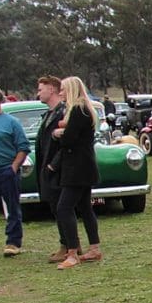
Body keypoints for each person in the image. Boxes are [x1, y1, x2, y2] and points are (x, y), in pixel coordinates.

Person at [51, 76, 102, 269]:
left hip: (77, 169)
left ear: (71, 90)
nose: (60, 93)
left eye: (63, 89)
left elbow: (69, 140)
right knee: (85, 208)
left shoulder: (79, 110)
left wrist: (59, 134)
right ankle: (94, 248)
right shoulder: (81, 110)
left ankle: (72, 252)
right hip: (83, 167)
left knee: (64, 208)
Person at [36, 75, 71, 262]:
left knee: (62, 207)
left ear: (51, 89)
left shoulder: (63, 112)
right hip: (48, 167)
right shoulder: (49, 113)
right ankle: (66, 242)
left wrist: (53, 165)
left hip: (59, 168)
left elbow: (66, 143)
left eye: (41, 89)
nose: (38, 93)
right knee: (55, 207)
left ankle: (68, 245)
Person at [0, 85, 30, 257]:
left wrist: (14, 167)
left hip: (6, 171)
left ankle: (13, 242)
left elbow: (23, 147)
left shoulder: (11, 122)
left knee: (12, 208)